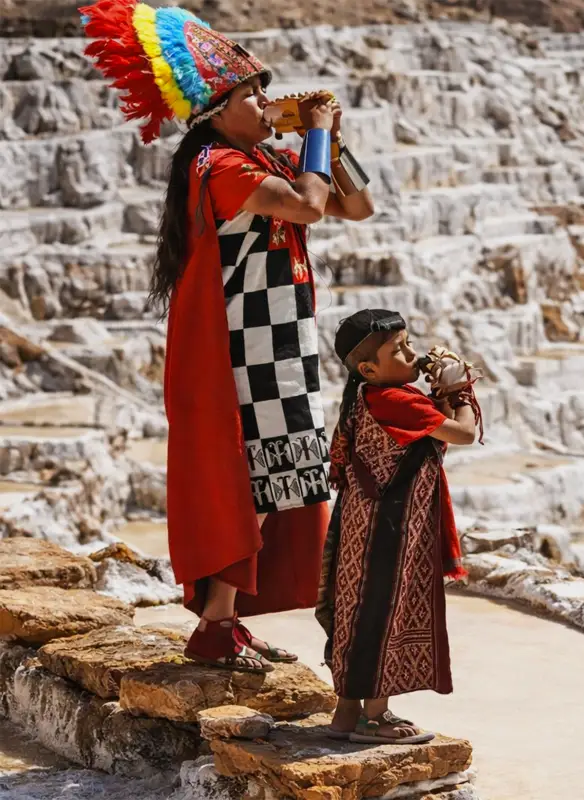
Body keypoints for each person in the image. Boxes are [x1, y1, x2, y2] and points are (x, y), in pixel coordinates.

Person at [80, 0, 376, 672]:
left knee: (280, 479)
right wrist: (316, 143)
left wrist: (333, 140)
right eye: (253, 93)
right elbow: (307, 206)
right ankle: (216, 625)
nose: (267, 102)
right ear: (218, 109)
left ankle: (224, 622)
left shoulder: (264, 157)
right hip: (249, 348)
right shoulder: (222, 167)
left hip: (282, 344)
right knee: (261, 481)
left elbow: (356, 206)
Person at [316, 309, 479, 743]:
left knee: (359, 608)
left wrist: (439, 393)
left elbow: (429, 435)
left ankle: (346, 716)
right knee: (384, 609)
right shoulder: (397, 401)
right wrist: (460, 392)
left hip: (362, 523)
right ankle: (376, 717)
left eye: (408, 344)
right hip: (390, 528)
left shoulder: (366, 396)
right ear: (369, 368)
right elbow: (463, 434)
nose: (411, 354)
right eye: (399, 349)